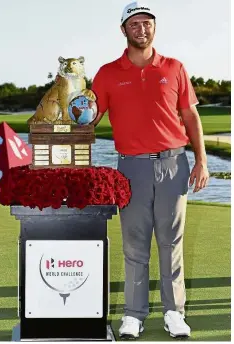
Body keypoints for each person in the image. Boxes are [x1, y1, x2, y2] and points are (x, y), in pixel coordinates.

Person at [91, 1, 209, 339]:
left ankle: (174, 313)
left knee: (171, 242)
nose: (141, 29)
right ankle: (134, 315)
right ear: (123, 30)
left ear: (154, 28)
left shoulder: (174, 67)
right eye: (134, 24)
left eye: (147, 23)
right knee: (135, 244)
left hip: (174, 164)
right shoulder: (108, 73)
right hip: (131, 169)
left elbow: (190, 117)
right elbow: (91, 118)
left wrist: (201, 161)